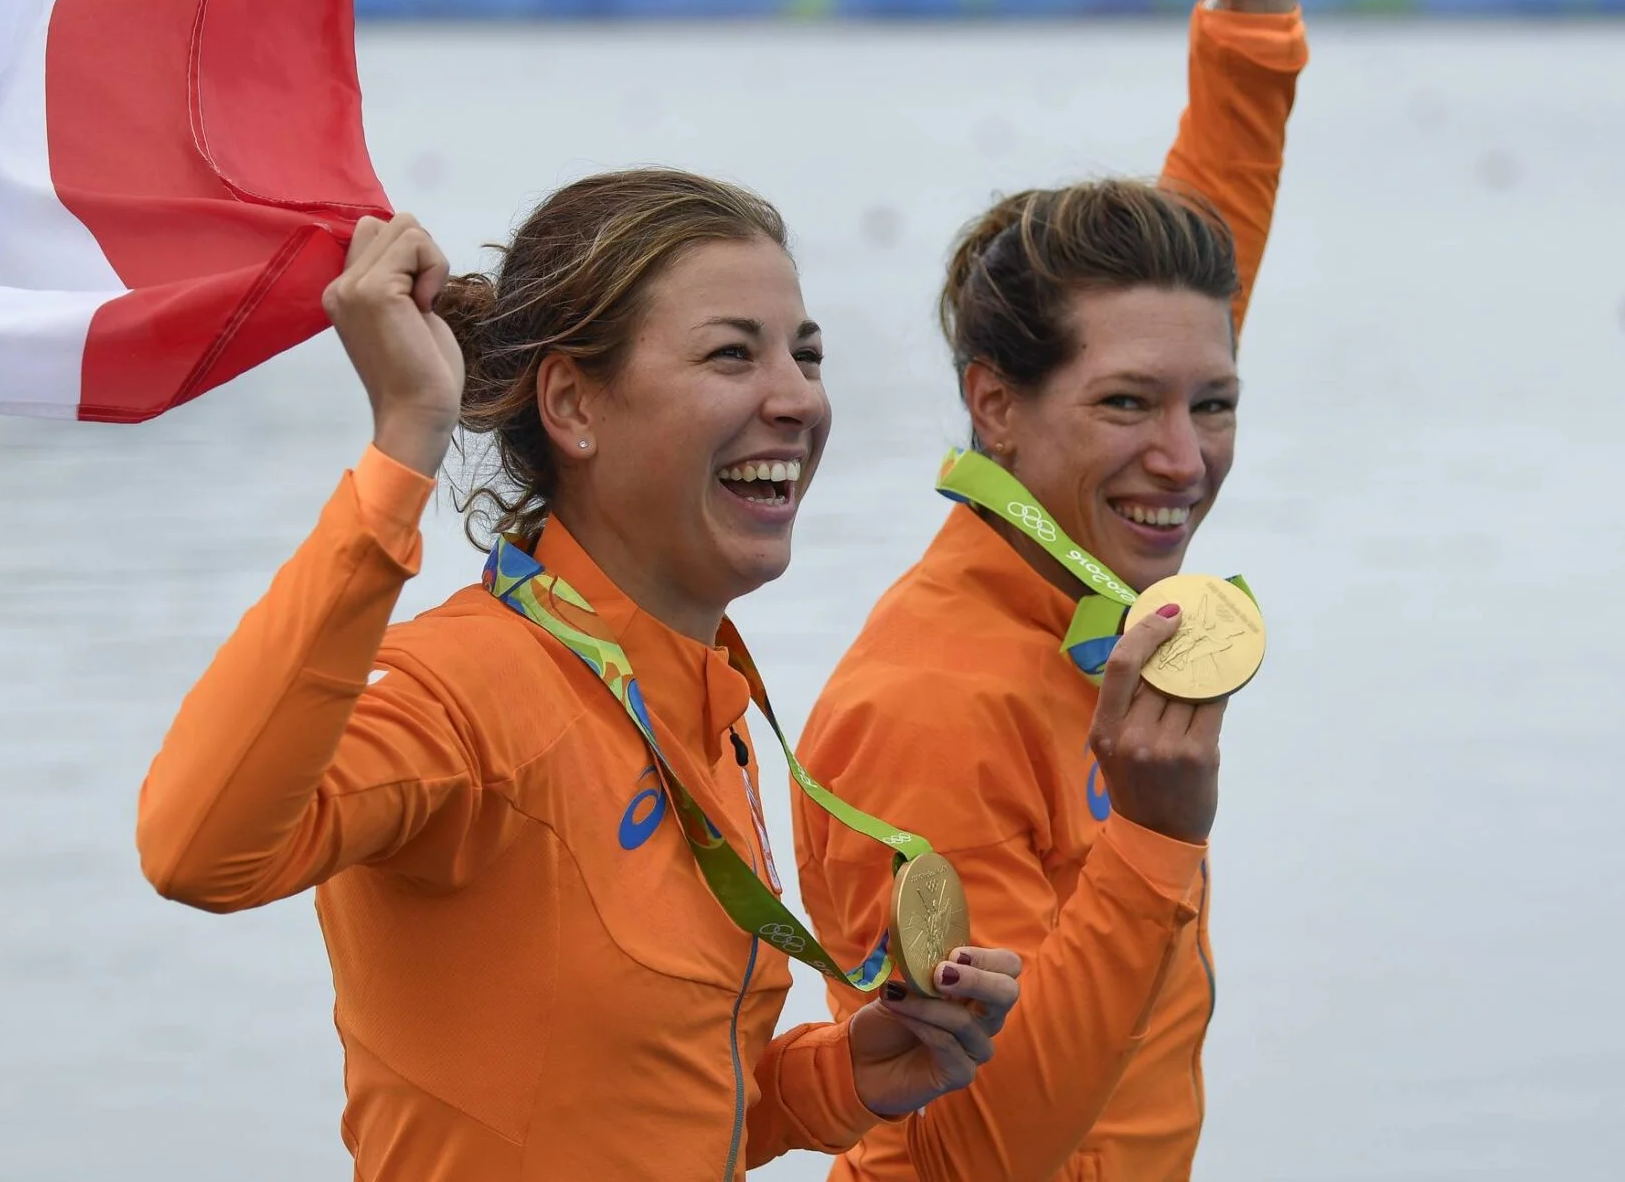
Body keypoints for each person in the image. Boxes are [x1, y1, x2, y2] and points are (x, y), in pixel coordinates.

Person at [135, 174, 1024, 1180]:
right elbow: (198, 849)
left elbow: (647, 1106)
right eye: (733, 354)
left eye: (805, 354)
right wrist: (403, 444)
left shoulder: (705, 701)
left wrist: (847, 1073)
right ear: (571, 404)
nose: (798, 398)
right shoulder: (464, 687)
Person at [792, 0, 1310, 1182]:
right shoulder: (929, 708)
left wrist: (1254, 15)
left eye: (1216, 403)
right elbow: (974, 1147)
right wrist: (1156, 833)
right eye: (1128, 403)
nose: (1183, 459)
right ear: (996, 405)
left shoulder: (1084, 579)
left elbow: (1185, 296)